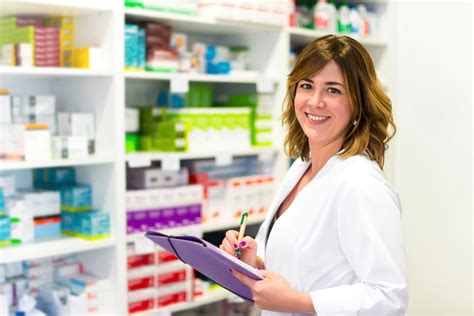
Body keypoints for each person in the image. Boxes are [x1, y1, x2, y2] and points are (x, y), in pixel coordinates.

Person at [220, 35, 408, 316]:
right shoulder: (300, 168)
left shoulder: (360, 185)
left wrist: (298, 302)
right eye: (307, 86)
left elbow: (389, 296)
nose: (315, 101)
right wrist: (255, 262)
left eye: (333, 90)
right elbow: (299, 267)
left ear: (358, 103)